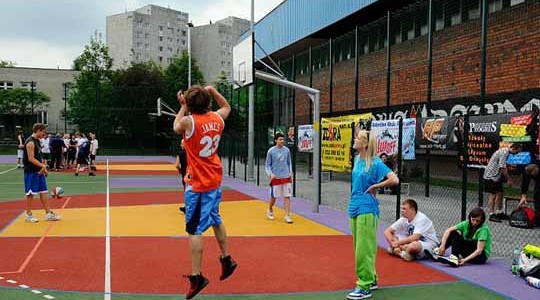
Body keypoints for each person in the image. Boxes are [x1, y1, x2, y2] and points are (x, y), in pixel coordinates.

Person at [173, 85, 236, 299]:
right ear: (208, 102)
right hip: (215, 179)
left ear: (190, 104)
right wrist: (214, 91)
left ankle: (197, 276)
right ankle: (227, 259)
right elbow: (226, 106)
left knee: (194, 230)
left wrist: (182, 107)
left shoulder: (188, 122)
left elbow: (175, 126)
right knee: (215, 217)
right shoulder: (218, 119)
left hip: (199, 184)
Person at [347, 128, 399, 300]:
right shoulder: (357, 159)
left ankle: (364, 286)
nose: (355, 139)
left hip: (367, 208)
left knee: (364, 248)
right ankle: (372, 278)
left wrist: (376, 186)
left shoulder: (376, 163)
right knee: (359, 247)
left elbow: (394, 179)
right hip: (354, 205)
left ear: (365, 144)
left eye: (358, 138)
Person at [425, 207, 491, 268]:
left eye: (477, 221)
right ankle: (438, 252)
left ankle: (454, 258)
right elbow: (448, 231)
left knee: (457, 236)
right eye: (473, 220)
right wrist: (442, 245)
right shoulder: (466, 224)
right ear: (470, 217)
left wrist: (464, 260)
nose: (475, 222)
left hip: (480, 257)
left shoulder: (483, 230)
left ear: (482, 221)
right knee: (453, 233)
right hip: (469, 252)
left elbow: (479, 251)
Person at [23, 123, 61, 223]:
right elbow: (31, 159)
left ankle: (48, 213)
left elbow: (39, 157)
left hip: (39, 172)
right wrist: (43, 166)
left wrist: (43, 169)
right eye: (43, 132)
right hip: (31, 171)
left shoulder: (37, 141)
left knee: (43, 191)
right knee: (30, 193)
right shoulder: (30, 142)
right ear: (38, 130)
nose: (44, 134)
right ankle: (28, 214)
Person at [482, 143, 522, 222]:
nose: (516, 154)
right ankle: (491, 214)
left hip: (497, 176)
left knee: (500, 193)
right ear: (513, 149)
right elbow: (502, 167)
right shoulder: (504, 152)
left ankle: (499, 212)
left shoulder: (506, 152)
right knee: (493, 194)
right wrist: (509, 179)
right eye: (517, 152)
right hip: (491, 176)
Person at [265, 132, 294, 223]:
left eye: (283, 139)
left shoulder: (287, 150)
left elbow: (289, 162)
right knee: (274, 197)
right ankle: (269, 209)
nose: (282, 141)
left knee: (287, 196)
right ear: (276, 140)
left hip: (286, 176)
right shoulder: (271, 151)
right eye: (280, 139)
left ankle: (287, 215)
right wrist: (270, 174)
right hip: (276, 177)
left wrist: (290, 172)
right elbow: (267, 165)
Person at [175, 138, 188, 213]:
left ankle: (187, 207)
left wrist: (180, 170)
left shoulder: (180, 153)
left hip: (185, 175)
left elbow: (176, 165)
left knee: (186, 191)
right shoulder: (191, 153)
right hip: (193, 174)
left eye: (181, 143)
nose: (180, 145)